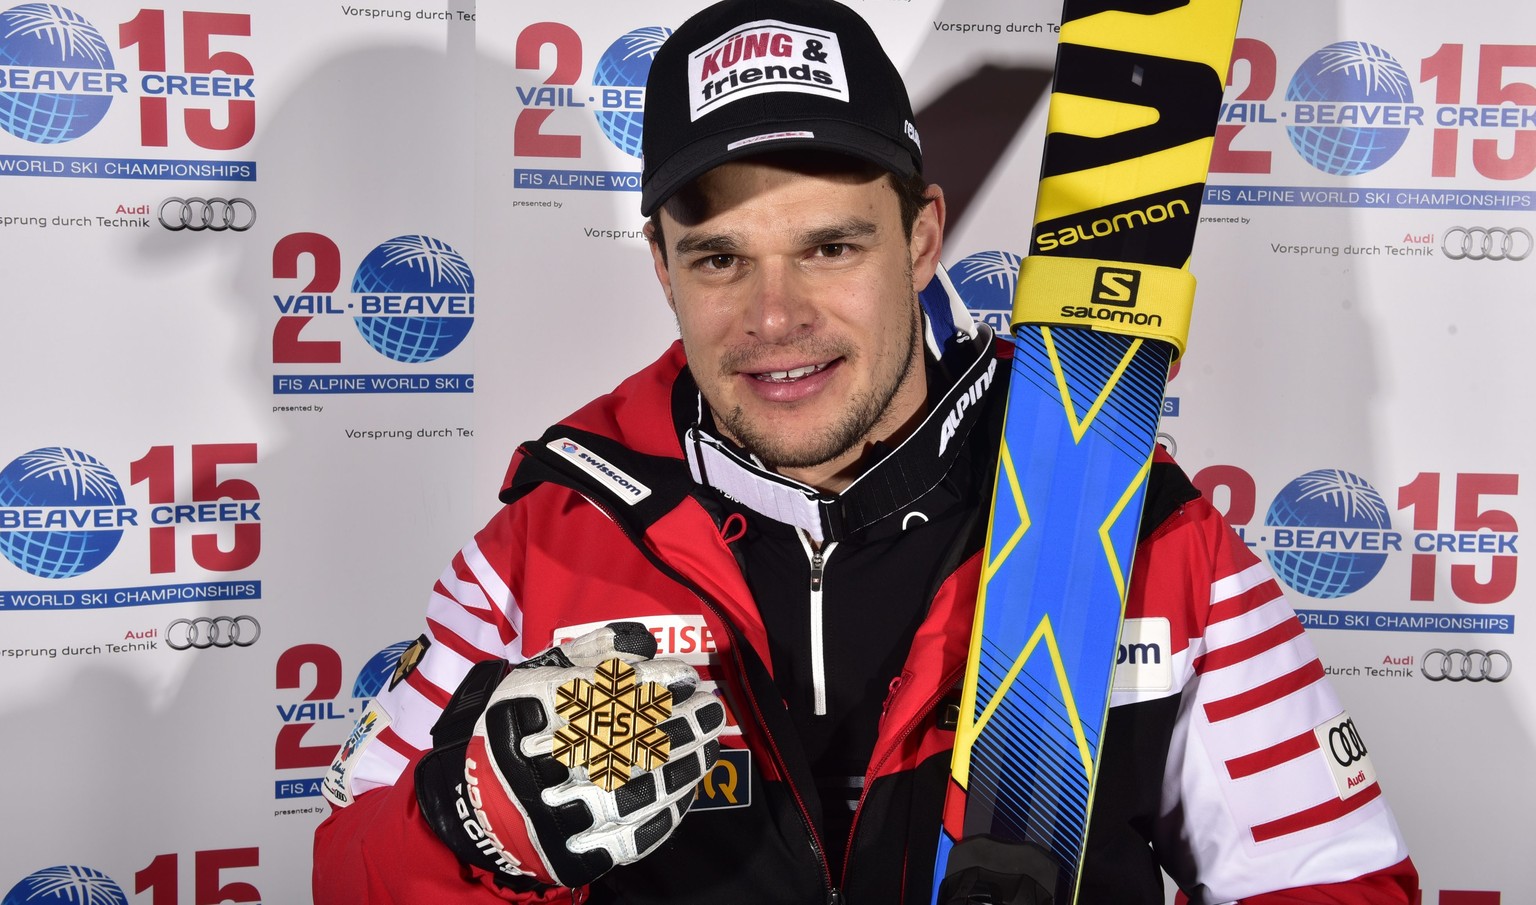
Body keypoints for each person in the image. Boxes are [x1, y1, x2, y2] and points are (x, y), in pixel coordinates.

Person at [313, 0, 1418, 902]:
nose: (774, 317)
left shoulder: (1146, 534)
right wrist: (463, 829)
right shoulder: (547, 542)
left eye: (830, 246)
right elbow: (346, 873)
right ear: (660, 264)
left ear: (923, 236)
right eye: (718, 260)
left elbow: (1337, 884)